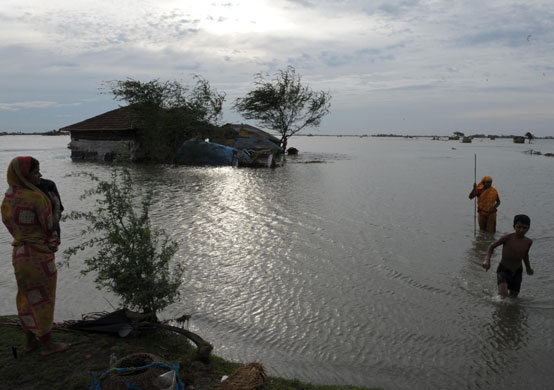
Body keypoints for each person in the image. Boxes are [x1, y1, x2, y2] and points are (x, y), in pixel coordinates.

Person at [1, 156, 70, 355]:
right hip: (39, 256)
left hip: (20, 254)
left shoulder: (9, 197)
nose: (39, 175)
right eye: (35, 172)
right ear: (24, 175)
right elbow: (49, 227)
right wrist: (55, 207)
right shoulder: (37, 198)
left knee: (26, 296)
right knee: (44, 299)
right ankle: (47, 344)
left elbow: (11, 227)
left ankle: (30, 342)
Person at [482, 214, 534, 297]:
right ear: (514, 226)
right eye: (519, 227)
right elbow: (491, 247)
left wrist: (528, 267)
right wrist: (487, 260)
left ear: (528, 228)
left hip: (517, 271)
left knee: (513, 297)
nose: (521, 230)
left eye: (525, 228)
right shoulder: (507, 238)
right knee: (503, 295)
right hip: (504, 269)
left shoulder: (528, 242)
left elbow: (525, 255)